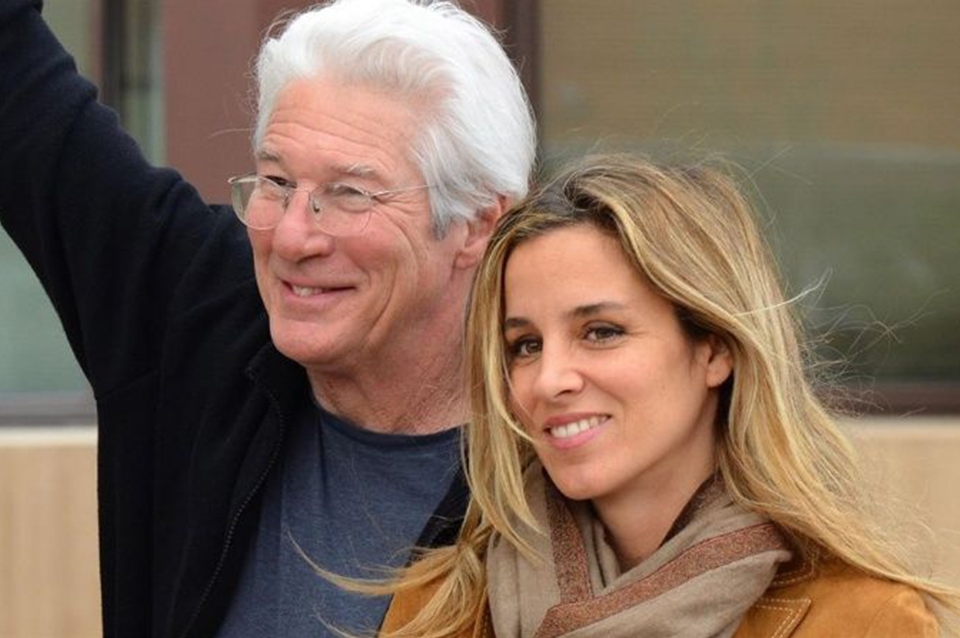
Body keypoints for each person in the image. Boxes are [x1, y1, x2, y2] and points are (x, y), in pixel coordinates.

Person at [0, 0, 535, 636]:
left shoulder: (569, 439)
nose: (291, 238)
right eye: (277, 182)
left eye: (349, 194)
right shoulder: (200, 316)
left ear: (476, 224)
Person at [378, 155, 958, 637]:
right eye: (525, 345)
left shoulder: (864, 621)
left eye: (600, 332)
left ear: (714, 348)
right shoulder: (442, 609)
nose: (549, 379)